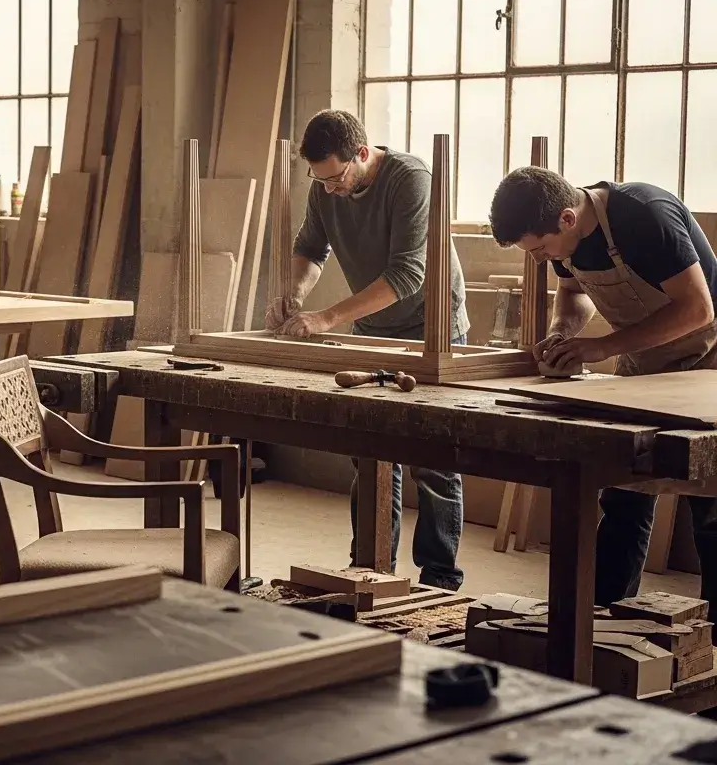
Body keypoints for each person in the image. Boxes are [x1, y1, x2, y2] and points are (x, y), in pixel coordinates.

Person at [489, 166, 717, 605]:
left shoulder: (645, 216)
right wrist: (562, 333)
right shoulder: (565, 234)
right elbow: (574, 294)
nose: (538, 259)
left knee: (710, 503)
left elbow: (697, 310)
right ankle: (604, 622)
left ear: (567, 219)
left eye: (540, 249)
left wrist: (603, 347)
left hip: (710, 360)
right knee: (625, 492)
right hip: (646, 364)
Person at [265, 109, 469, 590]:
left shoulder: (411, 179)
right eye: (320, 179)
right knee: (371, 453)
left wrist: (327, 318)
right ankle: (371, 568)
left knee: (434, 460)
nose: (329, 188)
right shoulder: (325, 186)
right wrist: (295, 294)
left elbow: (407, 274)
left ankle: (439, 580)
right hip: (374, 327)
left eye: (336, 178)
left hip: (432, 326)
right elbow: (310, 248)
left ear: (361, 153)